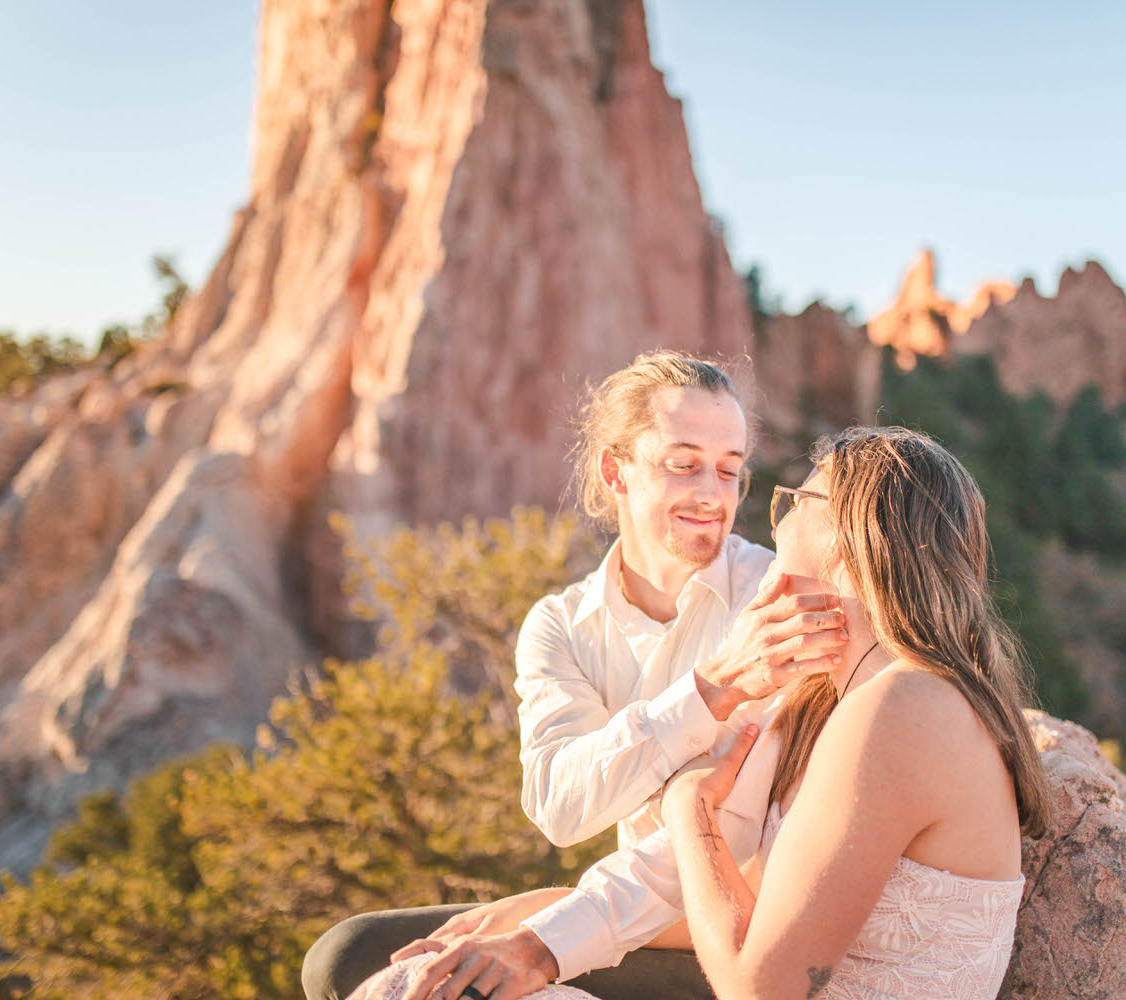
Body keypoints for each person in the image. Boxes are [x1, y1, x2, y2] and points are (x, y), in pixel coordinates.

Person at [348, 426, 1053, 1000]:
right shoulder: (828, 696)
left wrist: (691, 812)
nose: (772, 523)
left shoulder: (906, 706)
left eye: (796, 502)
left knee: (416, 993)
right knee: (411, 977)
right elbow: (755, 905)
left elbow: (761, 986)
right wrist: (545, 914)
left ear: (847, 537)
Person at [303, 352, 849, 1000]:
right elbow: (562, 807)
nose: (713, 494)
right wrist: (708, 692)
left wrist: (544, 934)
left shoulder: (772, 598)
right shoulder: (560, 625)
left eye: (730, 471)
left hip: (745, 937)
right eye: (684, 464)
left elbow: (725, 832)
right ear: (615, 470)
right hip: (634, 911)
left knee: (458, 988)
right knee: (346, 959)